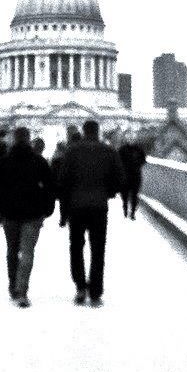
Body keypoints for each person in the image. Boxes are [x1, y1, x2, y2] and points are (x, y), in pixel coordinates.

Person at [56, 119, 125, 306]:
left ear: (83, 131)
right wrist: (107, 192)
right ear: (98, 131)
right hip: (99, 206)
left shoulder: (71, 151)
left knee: (76, 247)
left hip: (76, 206)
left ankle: (80, 286)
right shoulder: (108, 151)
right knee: (98, 249)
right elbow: (120, 178)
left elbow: (62, 180)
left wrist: (66, 203)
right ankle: (95, 291)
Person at [0, 126, 56, 307]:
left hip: (9, 214)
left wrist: (0, 207)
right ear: (29, 139)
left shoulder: (3, 162)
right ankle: (22, 290)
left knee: (12, 250)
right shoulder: (39, 161)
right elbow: (50, 187)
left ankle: (13, 285)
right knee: (27, 252)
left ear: (13, 139)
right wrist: (47, 209)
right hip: (33, 214)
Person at [51, 125, 82, 227]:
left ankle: (64, 219)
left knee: (64, 201)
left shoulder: (65, 150)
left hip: (66, 181)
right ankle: (70, 218)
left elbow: (56, 165)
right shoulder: (81, 150)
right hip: (75, 182)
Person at [118, 135, 147, 219]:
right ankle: (125, 208)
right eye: (129, 138)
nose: (131, 140)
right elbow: (117, 160)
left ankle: (133, 213)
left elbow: (143, 160)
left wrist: (137, 165)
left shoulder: (139, 149)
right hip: (125, 176)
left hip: (135, 176)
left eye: (132, 138)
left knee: (134, 195)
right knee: (124, 195)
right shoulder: (122, 149)